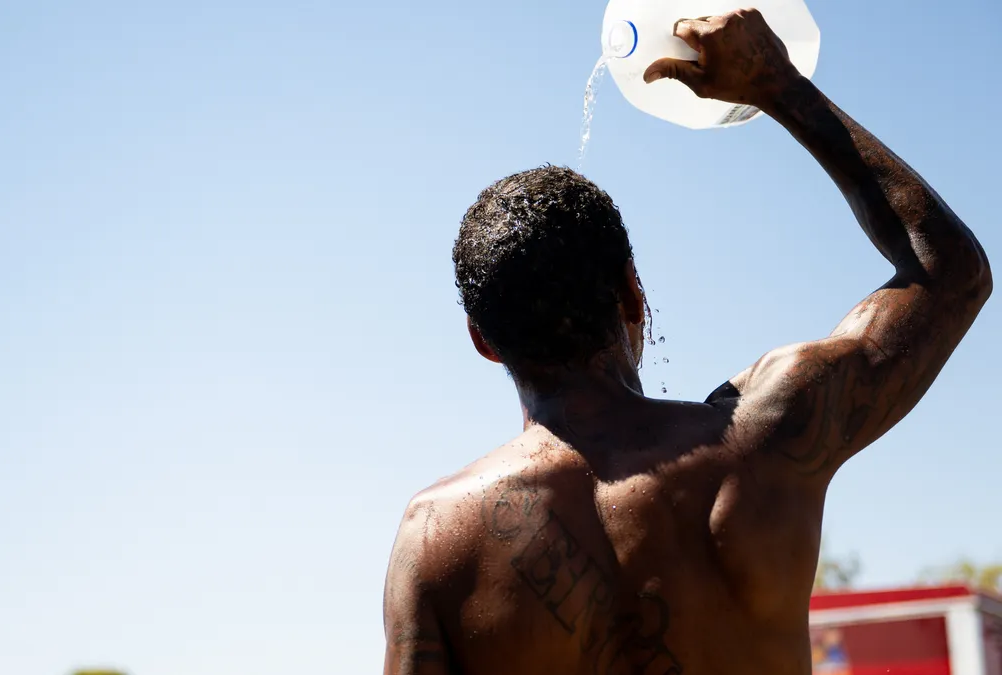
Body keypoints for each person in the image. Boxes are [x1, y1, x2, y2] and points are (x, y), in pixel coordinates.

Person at [382, 9, 992, 675]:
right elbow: (951, 273)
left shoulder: (436, 540)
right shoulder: (763, 438)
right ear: (631, 294)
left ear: (483, 340)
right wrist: (778, 86)